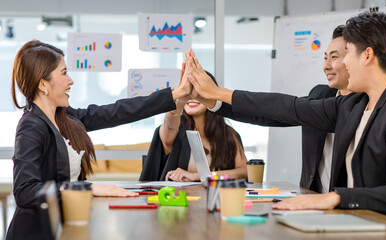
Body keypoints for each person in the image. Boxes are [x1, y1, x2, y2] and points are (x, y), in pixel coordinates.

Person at [186, 12, 386, 227]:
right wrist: (218, 96)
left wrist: (335, 197)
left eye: (348, 54)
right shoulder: (354, 105)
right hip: (360, 225)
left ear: (367, 56)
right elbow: (287, 108)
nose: (343, 62)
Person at [7, 40, 190, 240]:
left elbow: (117, 112)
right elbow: (25, 191)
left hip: (65, 226)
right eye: (64, 73)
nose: (71, 81)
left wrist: (174, 95)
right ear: (43, 84)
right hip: (37, 233)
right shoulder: (31, 126)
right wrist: (89, 188)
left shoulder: (66, 117)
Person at [204, 25, 351, 193]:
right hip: (312, 199)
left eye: (334, 57)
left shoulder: (366, 105)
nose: (326, 66)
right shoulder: (321, 94)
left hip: (349, 207)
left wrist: (218, 92)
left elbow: (283, 106)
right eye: (325, 58)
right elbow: (272, 113)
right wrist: (215, 102)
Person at [139, 54, 247, 182]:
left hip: (219, 199)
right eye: (188, 92)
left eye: (198, 92)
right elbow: (170, 125)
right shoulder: (175, 131)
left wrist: (200, 176)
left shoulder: (228, 134)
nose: (192, 97)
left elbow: (245, 172)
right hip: (177, 200)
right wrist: (179, 100)